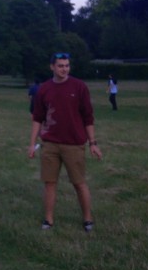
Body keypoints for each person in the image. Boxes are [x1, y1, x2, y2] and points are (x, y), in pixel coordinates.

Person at [26, 52, 102, 232]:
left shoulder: (79, 87)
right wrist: (32, 144)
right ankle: (48, 220)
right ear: (52, 67)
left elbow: (88, 117)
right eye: (60, 65)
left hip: (73, 144)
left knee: (79, 183)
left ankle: (87, 219)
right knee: (50, 183)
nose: (64, 69)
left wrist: (93, 143)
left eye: (67, 65)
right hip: (50, 144)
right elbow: (37, 118)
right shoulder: (44, 89)